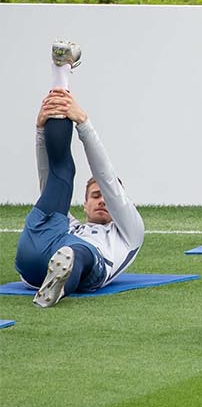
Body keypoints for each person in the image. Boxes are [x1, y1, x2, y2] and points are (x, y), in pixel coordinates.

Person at [17, 41, 146, 308]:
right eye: (95, 196)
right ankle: (60, 72)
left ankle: (60, 70)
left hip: (81, 261)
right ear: (84, 204)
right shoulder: (69, 222)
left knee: (80, 253)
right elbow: (49, 178)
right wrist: (41, 129)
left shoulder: (128, 233)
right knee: (60, 177)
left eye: (107, 199)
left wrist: (84, 122)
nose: (102, 200)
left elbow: (107, 178)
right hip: (38, 250)